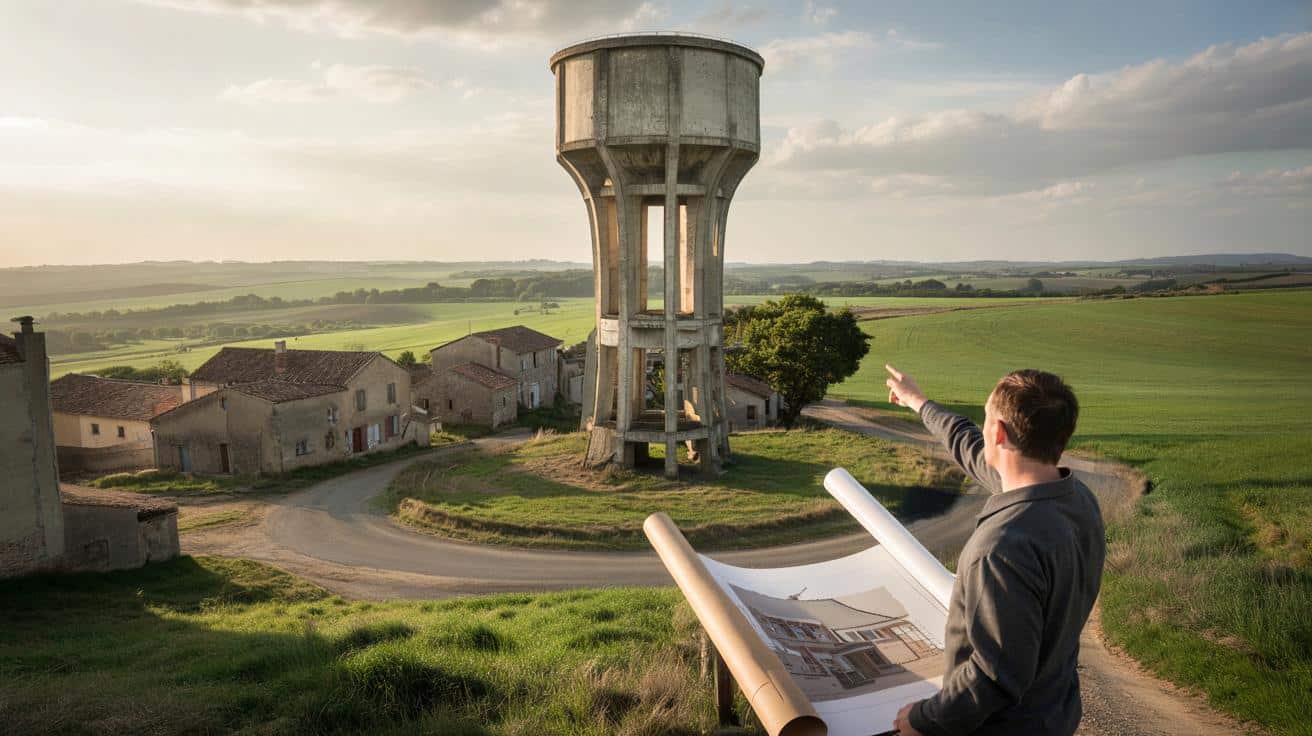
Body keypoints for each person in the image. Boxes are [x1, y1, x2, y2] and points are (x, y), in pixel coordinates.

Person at [883, 364, 1105, 736]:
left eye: (985, 419)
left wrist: (922, 719)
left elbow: (993, 675)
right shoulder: (1076, 498)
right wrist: (917, 401)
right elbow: (967, 443)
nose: (981, 429)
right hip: (1054, 714)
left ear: (999, 433)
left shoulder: (1003, 547)